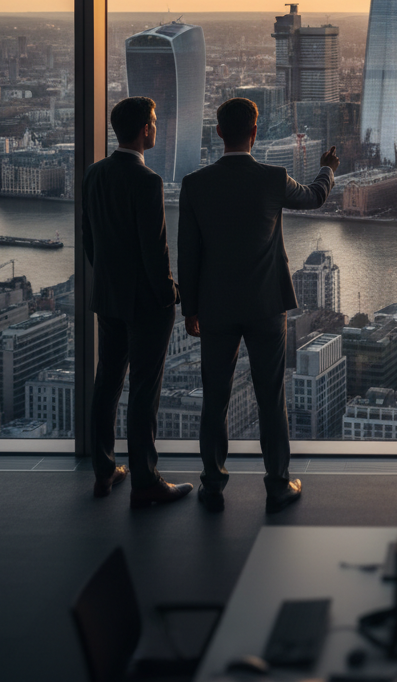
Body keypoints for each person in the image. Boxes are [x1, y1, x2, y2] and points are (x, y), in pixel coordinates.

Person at [177, 97, 339, 514]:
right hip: (266, 305)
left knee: (215, 398)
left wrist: (190, 309)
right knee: (271, 398)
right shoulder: (272, 178)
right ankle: (278, 485)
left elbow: (188, 254)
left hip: (215, 308)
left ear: (218, 133)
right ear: (254, 132)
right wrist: (328, 168)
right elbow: (315, 197)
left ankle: (213, 484)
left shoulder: (195, 184)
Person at [82, 96, 193, 509]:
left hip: (108, 297)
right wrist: (170, 295)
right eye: (155, 121)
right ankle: (145, 480)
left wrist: (109, 280)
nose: (157, 127)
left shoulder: (93, 174)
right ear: (145, 129)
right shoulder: (148, 181)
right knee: (144, 390)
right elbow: (155, 252)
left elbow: (89, 240)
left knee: (107, 384)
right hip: (146, 303)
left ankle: (104, 470)